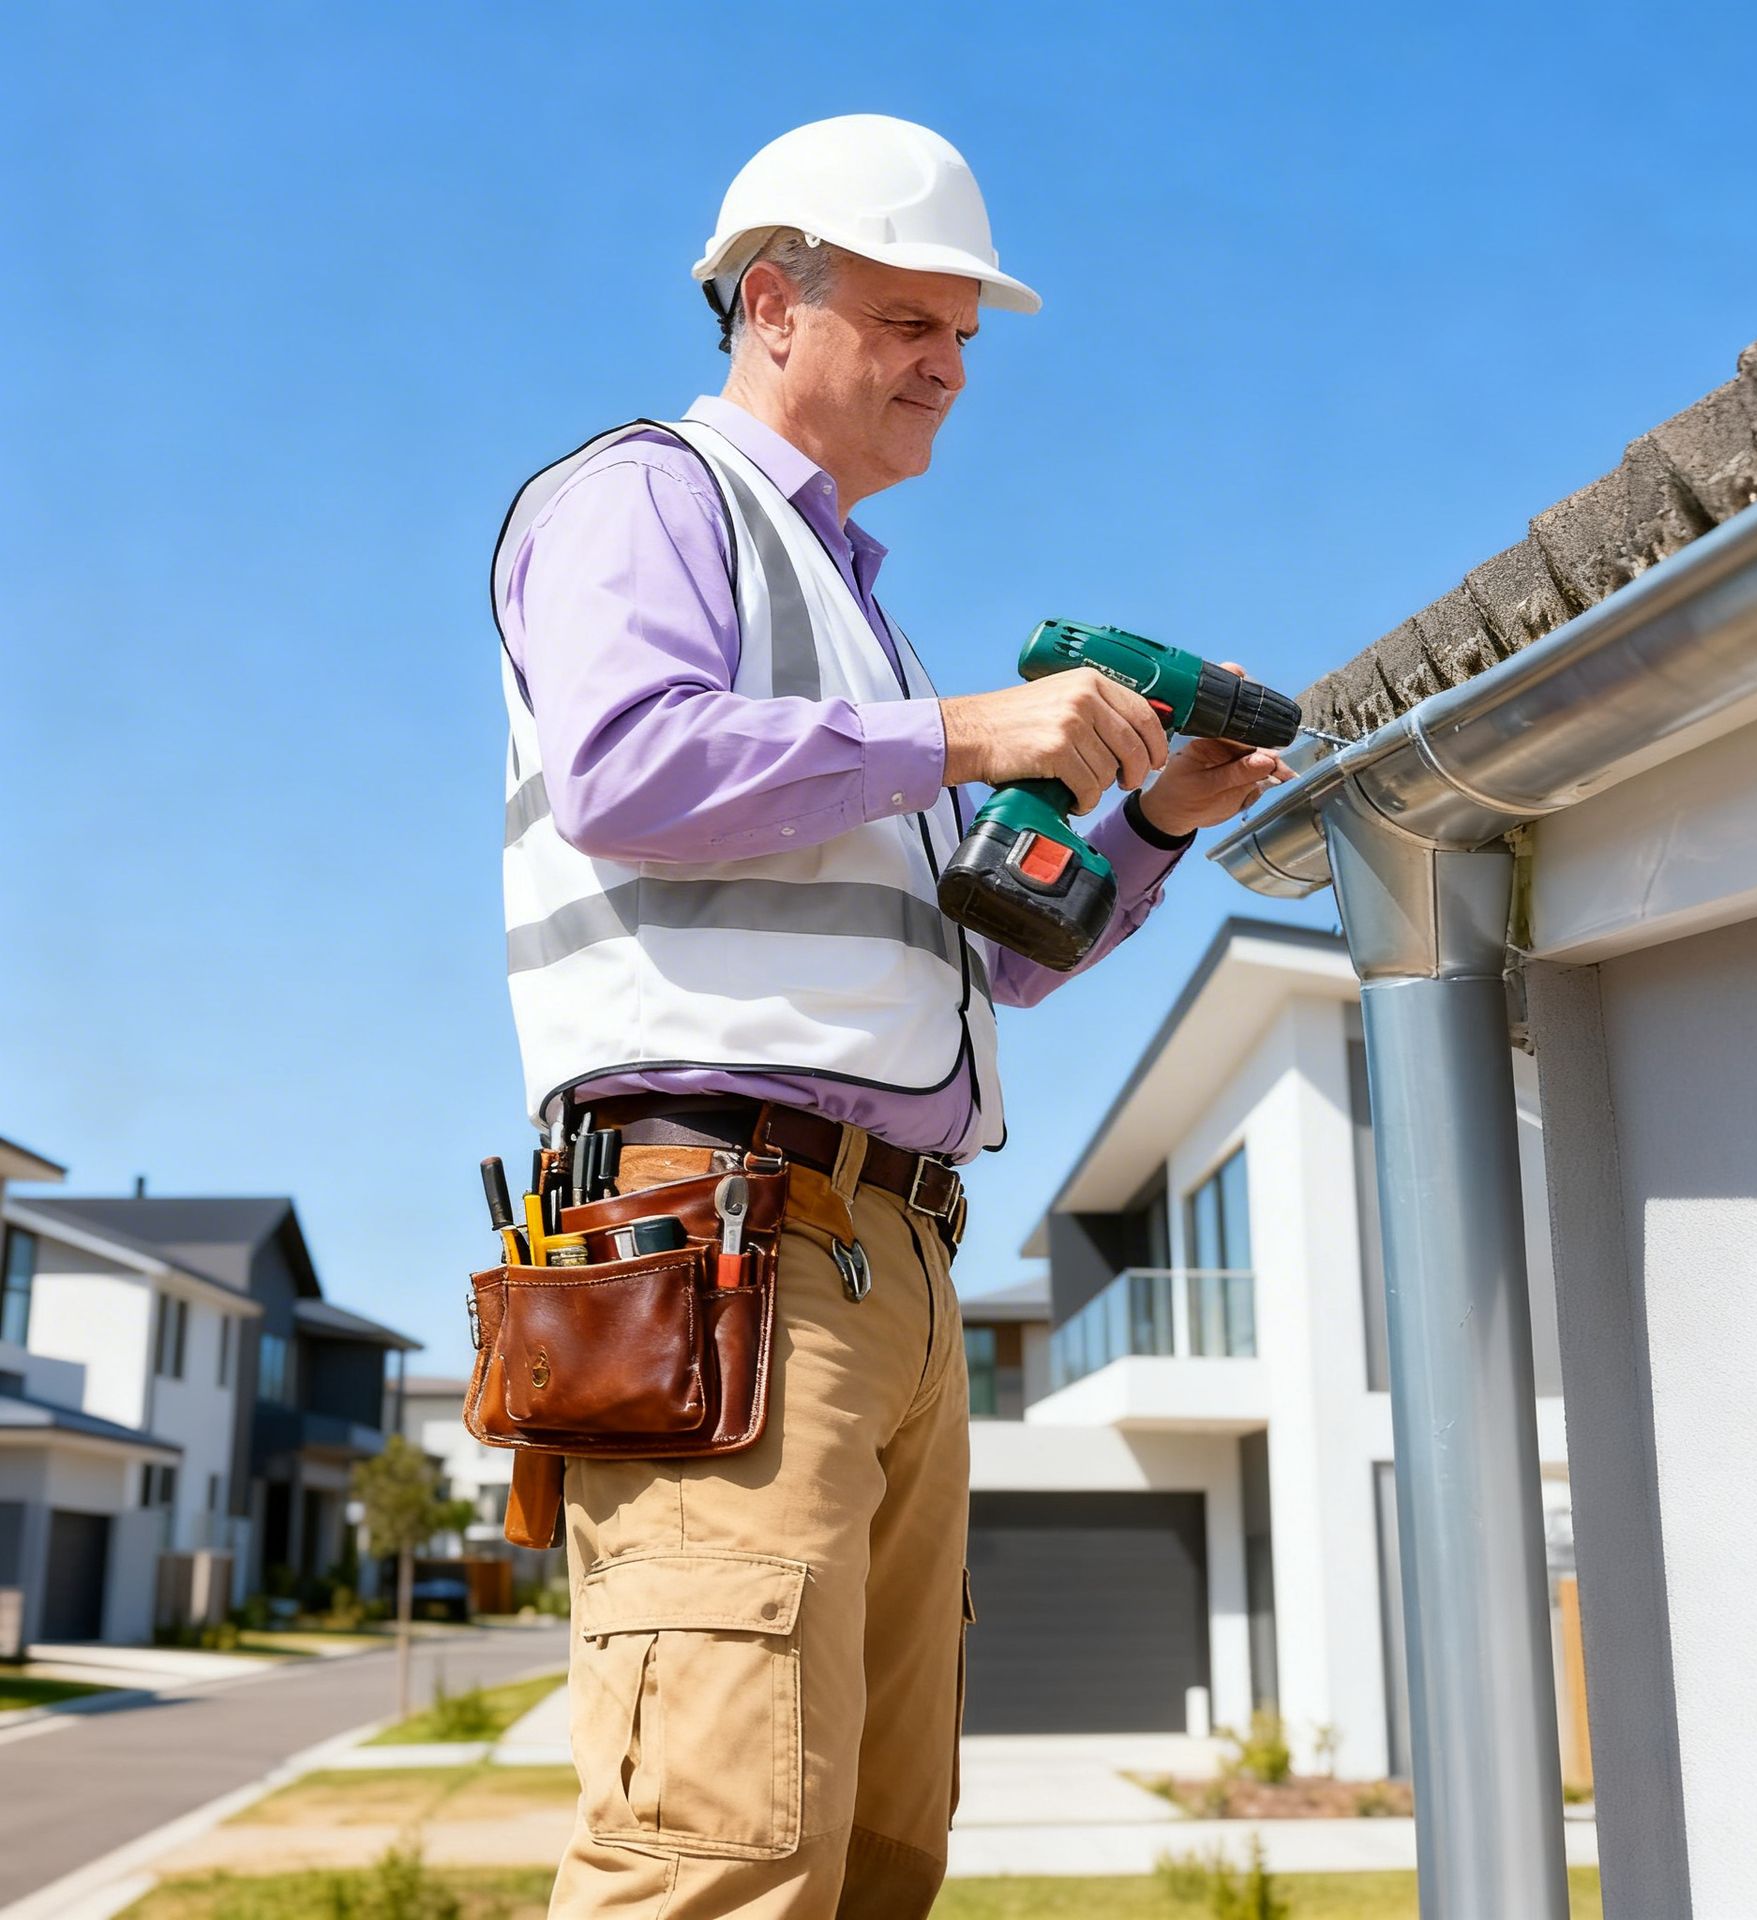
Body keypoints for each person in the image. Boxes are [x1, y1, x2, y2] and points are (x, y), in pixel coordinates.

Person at [492, 113, 1282, 1920]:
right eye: (914, 322)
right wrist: (973, 734)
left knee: (872, 1854)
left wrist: (1149, 819)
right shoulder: (639, 499)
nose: (948, 368)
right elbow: (625, 767)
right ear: (773, 300)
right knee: (719, 1849)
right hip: (732, 1242)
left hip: (890, 1266)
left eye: (965, 338)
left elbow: (983, 964)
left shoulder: (865, 626)